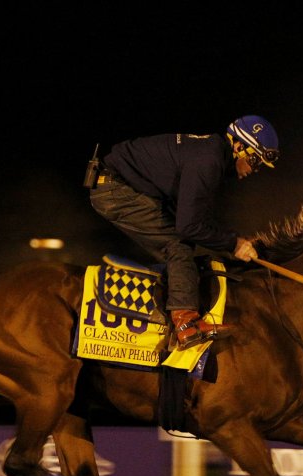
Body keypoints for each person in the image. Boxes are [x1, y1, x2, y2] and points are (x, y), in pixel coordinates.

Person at [89, 115, 279, 350]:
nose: (255, 169)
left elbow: (199, 220)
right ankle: (185, 324)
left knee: (188, 240)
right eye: (255, 161)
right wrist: (234, 244)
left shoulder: (211, 154)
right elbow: (189, 227)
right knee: (178, 244)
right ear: (239, 146)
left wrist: (232, 241)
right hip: (114, 190)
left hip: (126, 185)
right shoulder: (208, 160)